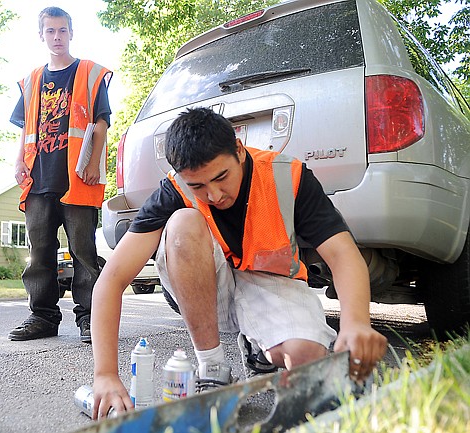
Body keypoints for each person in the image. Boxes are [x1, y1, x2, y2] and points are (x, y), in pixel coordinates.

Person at [90, 107, 387, 418]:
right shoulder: (173, 190)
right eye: (198, 186)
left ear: (239, 150)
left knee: (305, 355)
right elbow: (111, 279)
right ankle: (213, 367)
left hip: (268, 283)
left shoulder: (287, 175)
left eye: (221, 177)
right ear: (180, 176)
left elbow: (342, 253)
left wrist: (355, 323)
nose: (214, 194)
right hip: (205, 291)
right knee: (182, 224)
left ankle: (261, 351)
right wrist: (105, 375)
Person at [8, 6, 112, 343]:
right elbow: (24, 128)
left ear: (71, 33)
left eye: (62, 31)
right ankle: (42, 316)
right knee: (39, 251)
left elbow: (100, 123)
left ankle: (89, 318)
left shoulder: (89, 73)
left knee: (83, 249)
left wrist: (95, 163)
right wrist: (17, 162)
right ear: (42, 35)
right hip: (39, 177)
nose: (57, 37)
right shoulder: (32, 80)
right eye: (50, 31)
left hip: (78, 178)